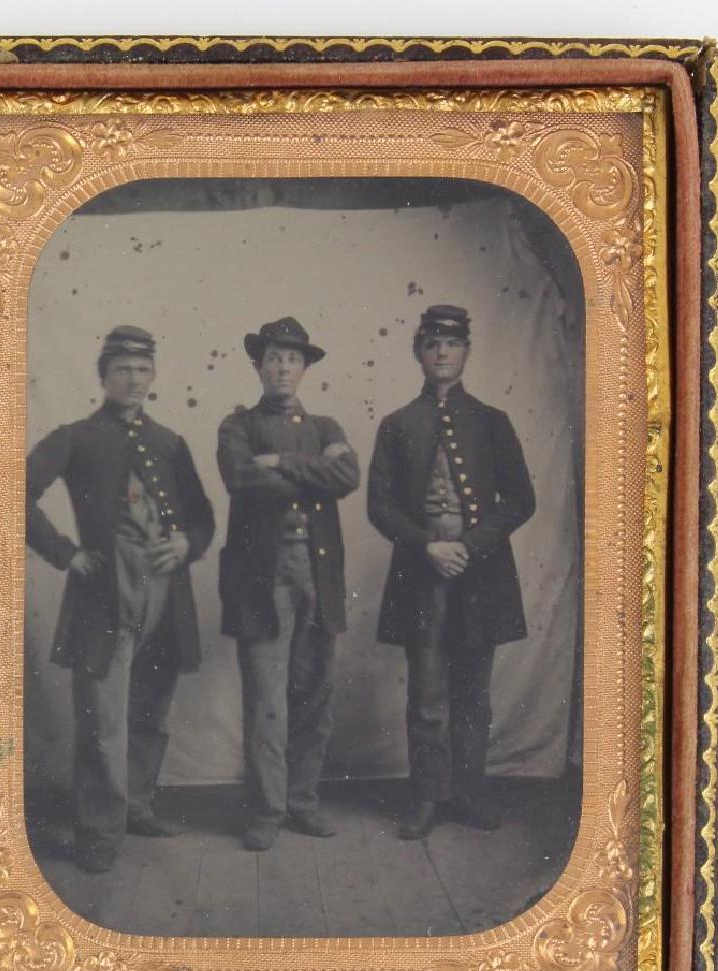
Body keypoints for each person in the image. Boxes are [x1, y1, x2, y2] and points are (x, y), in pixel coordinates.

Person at [26, 325, 215, 872]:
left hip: (165, 594)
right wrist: (65, 553)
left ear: (153, 376)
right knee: (103, 722)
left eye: (142, 369)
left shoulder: (169, 442)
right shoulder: (76, 437)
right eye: (122, 369)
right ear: (104, 376)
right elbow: (13, 491)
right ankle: (98, 831)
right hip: (106, 597)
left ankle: (137, 807)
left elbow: (202, 518)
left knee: (151, 712)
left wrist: (186, 543)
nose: (133, 379)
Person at [367, 305, 535, 839]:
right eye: (433, 343)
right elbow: (380, 506)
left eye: (453, 343)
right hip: (422, 577)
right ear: (418, 351)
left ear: (466, 352)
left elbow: (521, 500)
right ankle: (428, 796)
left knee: (473, 695)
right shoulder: (397, 425)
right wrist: (427, 546)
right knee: (426, 695)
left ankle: (467, 792)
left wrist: (470, 544)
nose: (442, 352)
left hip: (480, 576)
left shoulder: (492, 422)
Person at [217, 317, 360, 851]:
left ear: (304, 369)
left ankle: (303, 802)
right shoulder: (237, 426)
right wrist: (314, 471)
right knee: (266, 699)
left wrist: (280, 462)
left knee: (314, 692)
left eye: (293, 359)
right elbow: (241, 478)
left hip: (319, 573)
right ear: (259, 365)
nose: (283, 367)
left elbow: (348, 476)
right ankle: (266, 811)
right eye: (274, 357)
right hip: (262, 578)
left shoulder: (326, 426)